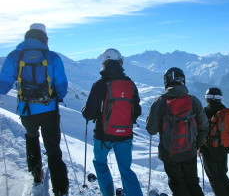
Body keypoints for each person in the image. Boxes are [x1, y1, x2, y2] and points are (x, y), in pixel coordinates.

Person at [0, 23, 69, 195]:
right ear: (44, 37)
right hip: (49, 109)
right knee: (53, 149)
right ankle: (60, 188)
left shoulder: (15, 55)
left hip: (27, 110)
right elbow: (61, 85)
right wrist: (58, 96)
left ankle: (36, 173)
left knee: (31, 137)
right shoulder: (52, 57)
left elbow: (4, 84)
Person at [81, 48, 143, 196]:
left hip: (103, 136)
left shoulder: (99, 84)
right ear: (120, 62)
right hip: (125, 136)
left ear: (104, 63)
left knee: (100, 164)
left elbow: (88, 114)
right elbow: (137, 111)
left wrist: (89, 112)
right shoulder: (130, 84)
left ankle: (107, 193)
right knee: (126, 169)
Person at [146, 67, 209, 196]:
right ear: (183, 81)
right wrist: (196, 144)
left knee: (177, 184)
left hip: (169, 152)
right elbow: (204, 126)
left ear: (166, 82)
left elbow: (151, 130)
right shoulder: (193, 101)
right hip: (189, 150)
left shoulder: (159, 102)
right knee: (192, 182)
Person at [200, 87, 229, 196]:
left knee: (214, 178)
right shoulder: (225, 110)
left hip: (208, 149)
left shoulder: (204, 112)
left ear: (207, 98)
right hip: (223, 148)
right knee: (222, 175)